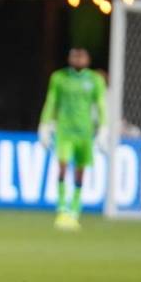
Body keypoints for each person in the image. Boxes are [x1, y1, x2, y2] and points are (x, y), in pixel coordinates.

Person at [38, 47, 107, 230]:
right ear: (69, 58)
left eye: (81, 56)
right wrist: (44, 124)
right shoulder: (59, 78)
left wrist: (103, 128)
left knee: (80, 171)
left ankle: (75, 210)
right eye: (74, 56)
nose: (77, 59)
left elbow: (100, 104)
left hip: (85, 132)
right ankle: (61, 208)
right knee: (62, 166)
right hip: (64, 131)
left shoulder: (95, 80)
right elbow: (51, 101)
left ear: (88, 59)